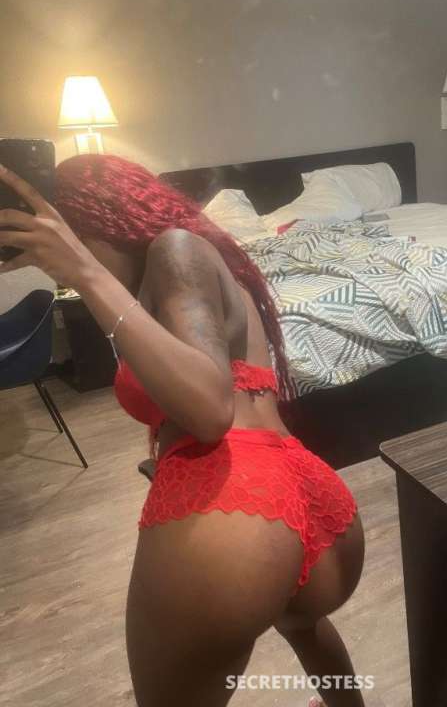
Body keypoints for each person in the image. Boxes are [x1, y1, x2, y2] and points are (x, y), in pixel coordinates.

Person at [0, 156, 366, 707]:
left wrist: (87, 275)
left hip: (234, 514)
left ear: (103, 219)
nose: (63, 267)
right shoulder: (201, 265)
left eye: (74, 240)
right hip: (309, 500)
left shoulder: (174, 251)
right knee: (302, 628)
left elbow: (210, 410)